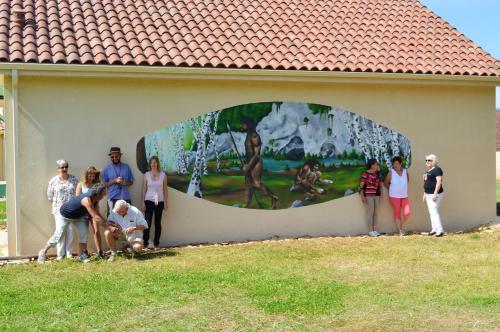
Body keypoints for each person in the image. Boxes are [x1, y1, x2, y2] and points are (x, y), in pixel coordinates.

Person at [38, 184, 108, 264]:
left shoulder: (95, 199)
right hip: (64, 215)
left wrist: (107, 222)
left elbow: (97, 213)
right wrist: (108, 227)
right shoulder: (87, 200)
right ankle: (42, 252)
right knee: (58, 236)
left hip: (78, 217)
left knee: (84, 232)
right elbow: (95, 216)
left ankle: (82, 255)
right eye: (103, 192)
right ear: (98, 193)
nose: (105, 194)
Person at [241, 118, 278, 209]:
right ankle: (248, 205)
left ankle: (273, 198)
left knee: (256, 184)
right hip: (249, 162)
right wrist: (245, 164)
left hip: (256, 163)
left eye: (244, 124)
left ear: (249, 125)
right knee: (248, 184)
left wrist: (248, 166)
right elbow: (249, 153)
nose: (242, 126)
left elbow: (256, 155)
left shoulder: (254, 136)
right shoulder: (248, 135)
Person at [47, 159, 78, 261]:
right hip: (59, 210)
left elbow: (78, 193)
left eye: (66, 167)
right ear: (58, 169)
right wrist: (59, 205)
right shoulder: (53, 181)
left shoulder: (73, 179)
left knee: (70, 231)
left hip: (71, 210)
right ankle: (60, 254)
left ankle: (69, 253)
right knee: (60, 231)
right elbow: (50, 196)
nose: (64, 169)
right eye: (62, 167)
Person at [76, 166, 104, 258]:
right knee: (84, 232)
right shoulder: (81, 184)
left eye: (93, 175)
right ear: (86, 175)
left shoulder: (96, 184)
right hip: (83, 211)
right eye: (90, 175)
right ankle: (84, 252)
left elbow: (98, 198)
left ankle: (99, 252)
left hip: (94, 209)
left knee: (96, 231)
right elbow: (78, 198)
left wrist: (94, 209)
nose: (92, 177)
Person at [141, 156, 168, 249]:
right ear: (150, 164)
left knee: (157, 222)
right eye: (152, 162)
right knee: (147, 222)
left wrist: (166, 202)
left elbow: (165, 190)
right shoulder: (146, 175)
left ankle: (156, 243)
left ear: (157, 163)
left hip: (159, 201)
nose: (153, 164)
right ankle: (145, 242)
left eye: (155, 162)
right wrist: (142, 202)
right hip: (149, 200)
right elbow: (144, 189)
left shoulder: (163, 175)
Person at [384, 156, 410, 236]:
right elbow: (386, 183)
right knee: (397, 213)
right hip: (394, 196)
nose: (395, 165)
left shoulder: (406, 172)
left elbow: (407, 181)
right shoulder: (391, 172)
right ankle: (400, 230)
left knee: (407, 213)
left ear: (401, 163)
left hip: (404, 195)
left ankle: (400, 227)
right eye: (394, 164)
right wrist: (392, 189)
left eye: (397, 164)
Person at [103, 147, 134, 212]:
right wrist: (114, 181)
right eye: (112, 157)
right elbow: (104, 185)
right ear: (110, 157)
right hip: (112, 198)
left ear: (120, 156)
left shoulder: (126, 167)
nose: (114, 158)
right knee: (112, 221)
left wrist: (125, 183)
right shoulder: (107, 169)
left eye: (116, 156)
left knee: (127, 220)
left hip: (125, 197)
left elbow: (131, 182)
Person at [359, 159, 383, 237]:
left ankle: (375, 230)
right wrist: (362, 196)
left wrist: (382, 194)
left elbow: (380, 185)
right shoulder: (365, 174)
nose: (377, 166)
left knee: (376, 213)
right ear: (372, 165)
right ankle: (370, 231)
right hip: (369, 195)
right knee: (370, 212)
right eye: (376, 164)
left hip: (377, 195)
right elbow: (361, 186)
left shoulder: (378, 174)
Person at [423, 154, 444, 237]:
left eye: (429, 160)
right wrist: (424, 193)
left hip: (435, 194)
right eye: (426, 160)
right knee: (431, 212)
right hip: (428, 194)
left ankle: (440, 230)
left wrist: (435, 193)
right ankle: (434, 229)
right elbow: (426, 182)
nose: (427, 162)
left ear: (434, 161)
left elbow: (439, 182)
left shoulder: (437, 170)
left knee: (434, 211)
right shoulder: (428, 171)